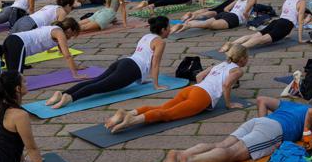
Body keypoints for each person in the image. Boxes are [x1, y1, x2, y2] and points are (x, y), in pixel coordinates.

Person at [160, 96, 312, 162]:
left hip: (258, 122)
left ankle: (181, 153)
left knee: (221, 144)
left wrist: (262, 123)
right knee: (232, 154)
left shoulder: (291, 104)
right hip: (274, 130)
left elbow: (261, 99)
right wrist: (308, 133)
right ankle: (192, 160)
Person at [105, 44, 248, 132]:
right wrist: (229, 104)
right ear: (242, 59)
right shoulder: (238, 70)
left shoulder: (219, 64)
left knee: (162, 107)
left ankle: (128, 113)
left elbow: (199, 77)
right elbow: (226, 85)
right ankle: (132, 120)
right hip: (201, 97)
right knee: (167, 115)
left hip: (192, 90)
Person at [46, 16, 170, 109]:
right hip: (131, 70)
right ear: (163, 29)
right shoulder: (160, 42)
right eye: (168, 27)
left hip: (125, 62)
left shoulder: (146, 36)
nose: (170, 29)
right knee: (99, 86)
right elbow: (155, 63)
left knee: (95, 81)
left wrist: (142, 79)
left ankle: (61, 93)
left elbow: (143, 57)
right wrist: (156, 85)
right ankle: (70, 98)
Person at [0, 18, 84, 94]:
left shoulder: (55, 29)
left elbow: (64, 53)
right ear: (69, 29)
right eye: (72, 34)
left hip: (13, 39)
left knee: (12, 76)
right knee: (16, 79)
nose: (71, 37)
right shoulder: (60, 33)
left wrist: (76, 67)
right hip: (19, 44)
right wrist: (75, 74)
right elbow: (67, 55)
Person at [220, 0, 306, 51]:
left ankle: (231, 43)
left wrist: (287, 33)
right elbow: (300, 21)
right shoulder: (301, 2)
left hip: (277, 22)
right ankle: (237, 49)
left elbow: (287, 14)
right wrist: (300, 39)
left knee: (254, 36)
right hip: (285, 25)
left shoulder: (288, 0)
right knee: (261, 40)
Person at [172, 0, 256, 33]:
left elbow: (226, 8)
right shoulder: (252, 0)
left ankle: (186, 24)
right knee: (209, 25)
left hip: (226, 14)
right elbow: (245, 13)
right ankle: (188, 25)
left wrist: (232, 12)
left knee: (206, 23)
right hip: (234, 18)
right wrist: (247, 20)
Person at [10, 0, 75, 33]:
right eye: (71, 7)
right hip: (31, 25)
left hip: (22, 20)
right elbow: (59, 31)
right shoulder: (62, 12)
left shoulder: (49, 6)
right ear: (68, 5)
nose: (70, 10)